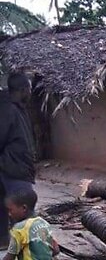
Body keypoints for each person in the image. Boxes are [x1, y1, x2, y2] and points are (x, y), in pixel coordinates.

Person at [0, 73, 36, 250]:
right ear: (22, 90)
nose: (30, 92)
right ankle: (32, 249)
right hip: (14, 169)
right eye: (29, 88)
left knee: (6, 208)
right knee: (25, 211)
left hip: (16, 168)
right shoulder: (8, 110)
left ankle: (5, 243)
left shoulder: (17, 108)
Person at [3, 189, 59, 260]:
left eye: (10, 210)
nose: (9, 214)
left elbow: (10, 257)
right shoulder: (44, 223)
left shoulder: (19, 229)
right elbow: (56, 250)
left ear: (24, 208)